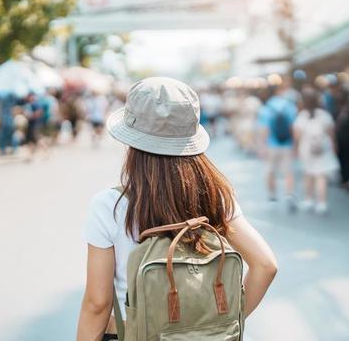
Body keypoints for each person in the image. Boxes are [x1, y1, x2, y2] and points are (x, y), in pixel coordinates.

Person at [77, 78, 277, 340]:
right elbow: (265, 265)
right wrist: (224, 324)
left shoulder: (109, 205)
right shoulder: (215, 195)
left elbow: (97, 303)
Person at [293, 88, 337, 214]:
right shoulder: (324, 115)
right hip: (323, 147)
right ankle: (322, 203)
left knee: (308, 174)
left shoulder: (301, 116)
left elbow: (297, 136)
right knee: (321, 176)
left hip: (306, 148)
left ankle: (309, 199)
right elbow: (331, 133)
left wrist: (296, 149)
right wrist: (334, 146)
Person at [258, 77, 299, 210]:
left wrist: (262, 146)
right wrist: (296, 145)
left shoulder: (267, 107)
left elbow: (264, 129)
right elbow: (294, 127)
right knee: (288, 171)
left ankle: (272, 196)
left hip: (272, 144)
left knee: (270, 170)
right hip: (287, 143)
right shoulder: (290, 106)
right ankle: (289, 194)